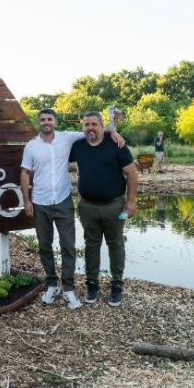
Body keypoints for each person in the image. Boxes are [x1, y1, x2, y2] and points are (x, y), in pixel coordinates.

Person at [20, 109, 125, 309]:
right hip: (40, 202)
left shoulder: (67, 138)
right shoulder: (31, 146)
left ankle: (68, 289)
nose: (46, 122)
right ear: (38, 123)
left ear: (56, 122)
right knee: (44, 246)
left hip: (63, 200)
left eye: (49, 119)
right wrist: (26, 201)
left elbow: (95, 131)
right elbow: (25, 173)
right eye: (42, 120)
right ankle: (52, 285)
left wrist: (114, 132)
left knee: (68, 246)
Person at [69, 111, 138, 307]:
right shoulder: (78, 146)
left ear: (101, 126)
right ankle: (92, 284)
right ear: (83, 127)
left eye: (94, 124)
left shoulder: (117, 145)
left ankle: (116, 285)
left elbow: (131, 173)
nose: (90, 127)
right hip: (87, 206)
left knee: (115, 244)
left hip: (114, 205)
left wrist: (131, 202)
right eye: (87, 124)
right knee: (91, 245)